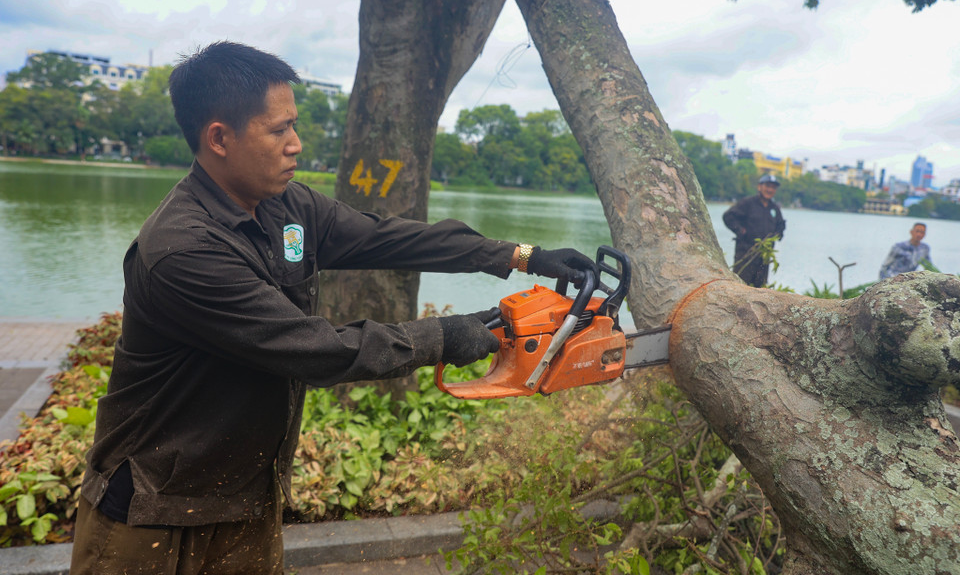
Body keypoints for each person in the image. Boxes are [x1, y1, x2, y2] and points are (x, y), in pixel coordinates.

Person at [69, 41, 596, 575]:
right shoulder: (184, 250)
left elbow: (389, 238)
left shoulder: (287, 206)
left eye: (293, 126)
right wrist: (443, 337)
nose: (296, 145)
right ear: (219, 138)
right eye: (279, 131)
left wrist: (519, 256)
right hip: (152, 515)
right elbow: (313, 349)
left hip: (244, 500)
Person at [722, 173, 787, 288]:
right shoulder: (747, 203)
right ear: (759, 187)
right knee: (741, 286)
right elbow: (728, 216)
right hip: (746, 253)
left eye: (773, 187)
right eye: (767, 186)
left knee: (759, 289)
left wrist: (778, 234)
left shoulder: (774, 208)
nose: (770, 190)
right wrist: (740, 230)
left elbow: (780, 225)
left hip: (764, 257)